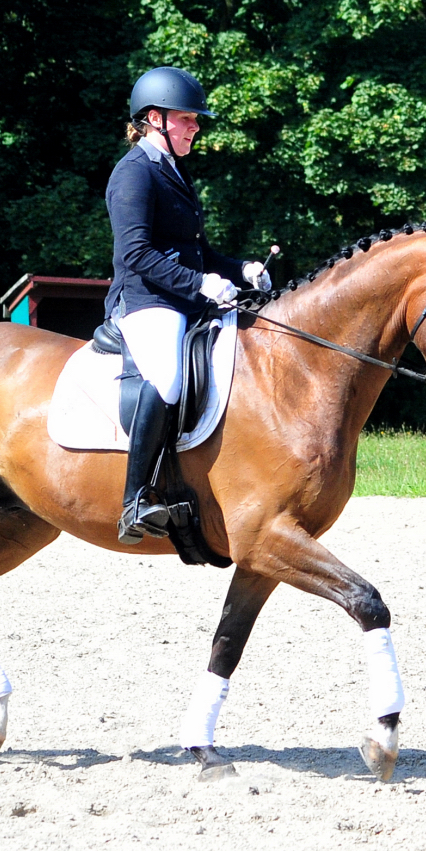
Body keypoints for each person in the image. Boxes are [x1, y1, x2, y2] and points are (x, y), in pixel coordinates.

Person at [104, 66, 271, 545]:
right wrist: (200, 284)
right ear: (154, 119)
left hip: (180, 296)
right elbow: (135, 254)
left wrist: (241, 270)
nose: (196, 127)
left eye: (195, 121)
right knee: (169, 375)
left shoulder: (174, 171)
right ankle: (135, 498)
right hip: (145, 301)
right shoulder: (133, 174)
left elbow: (197, 250)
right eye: (187, 119)